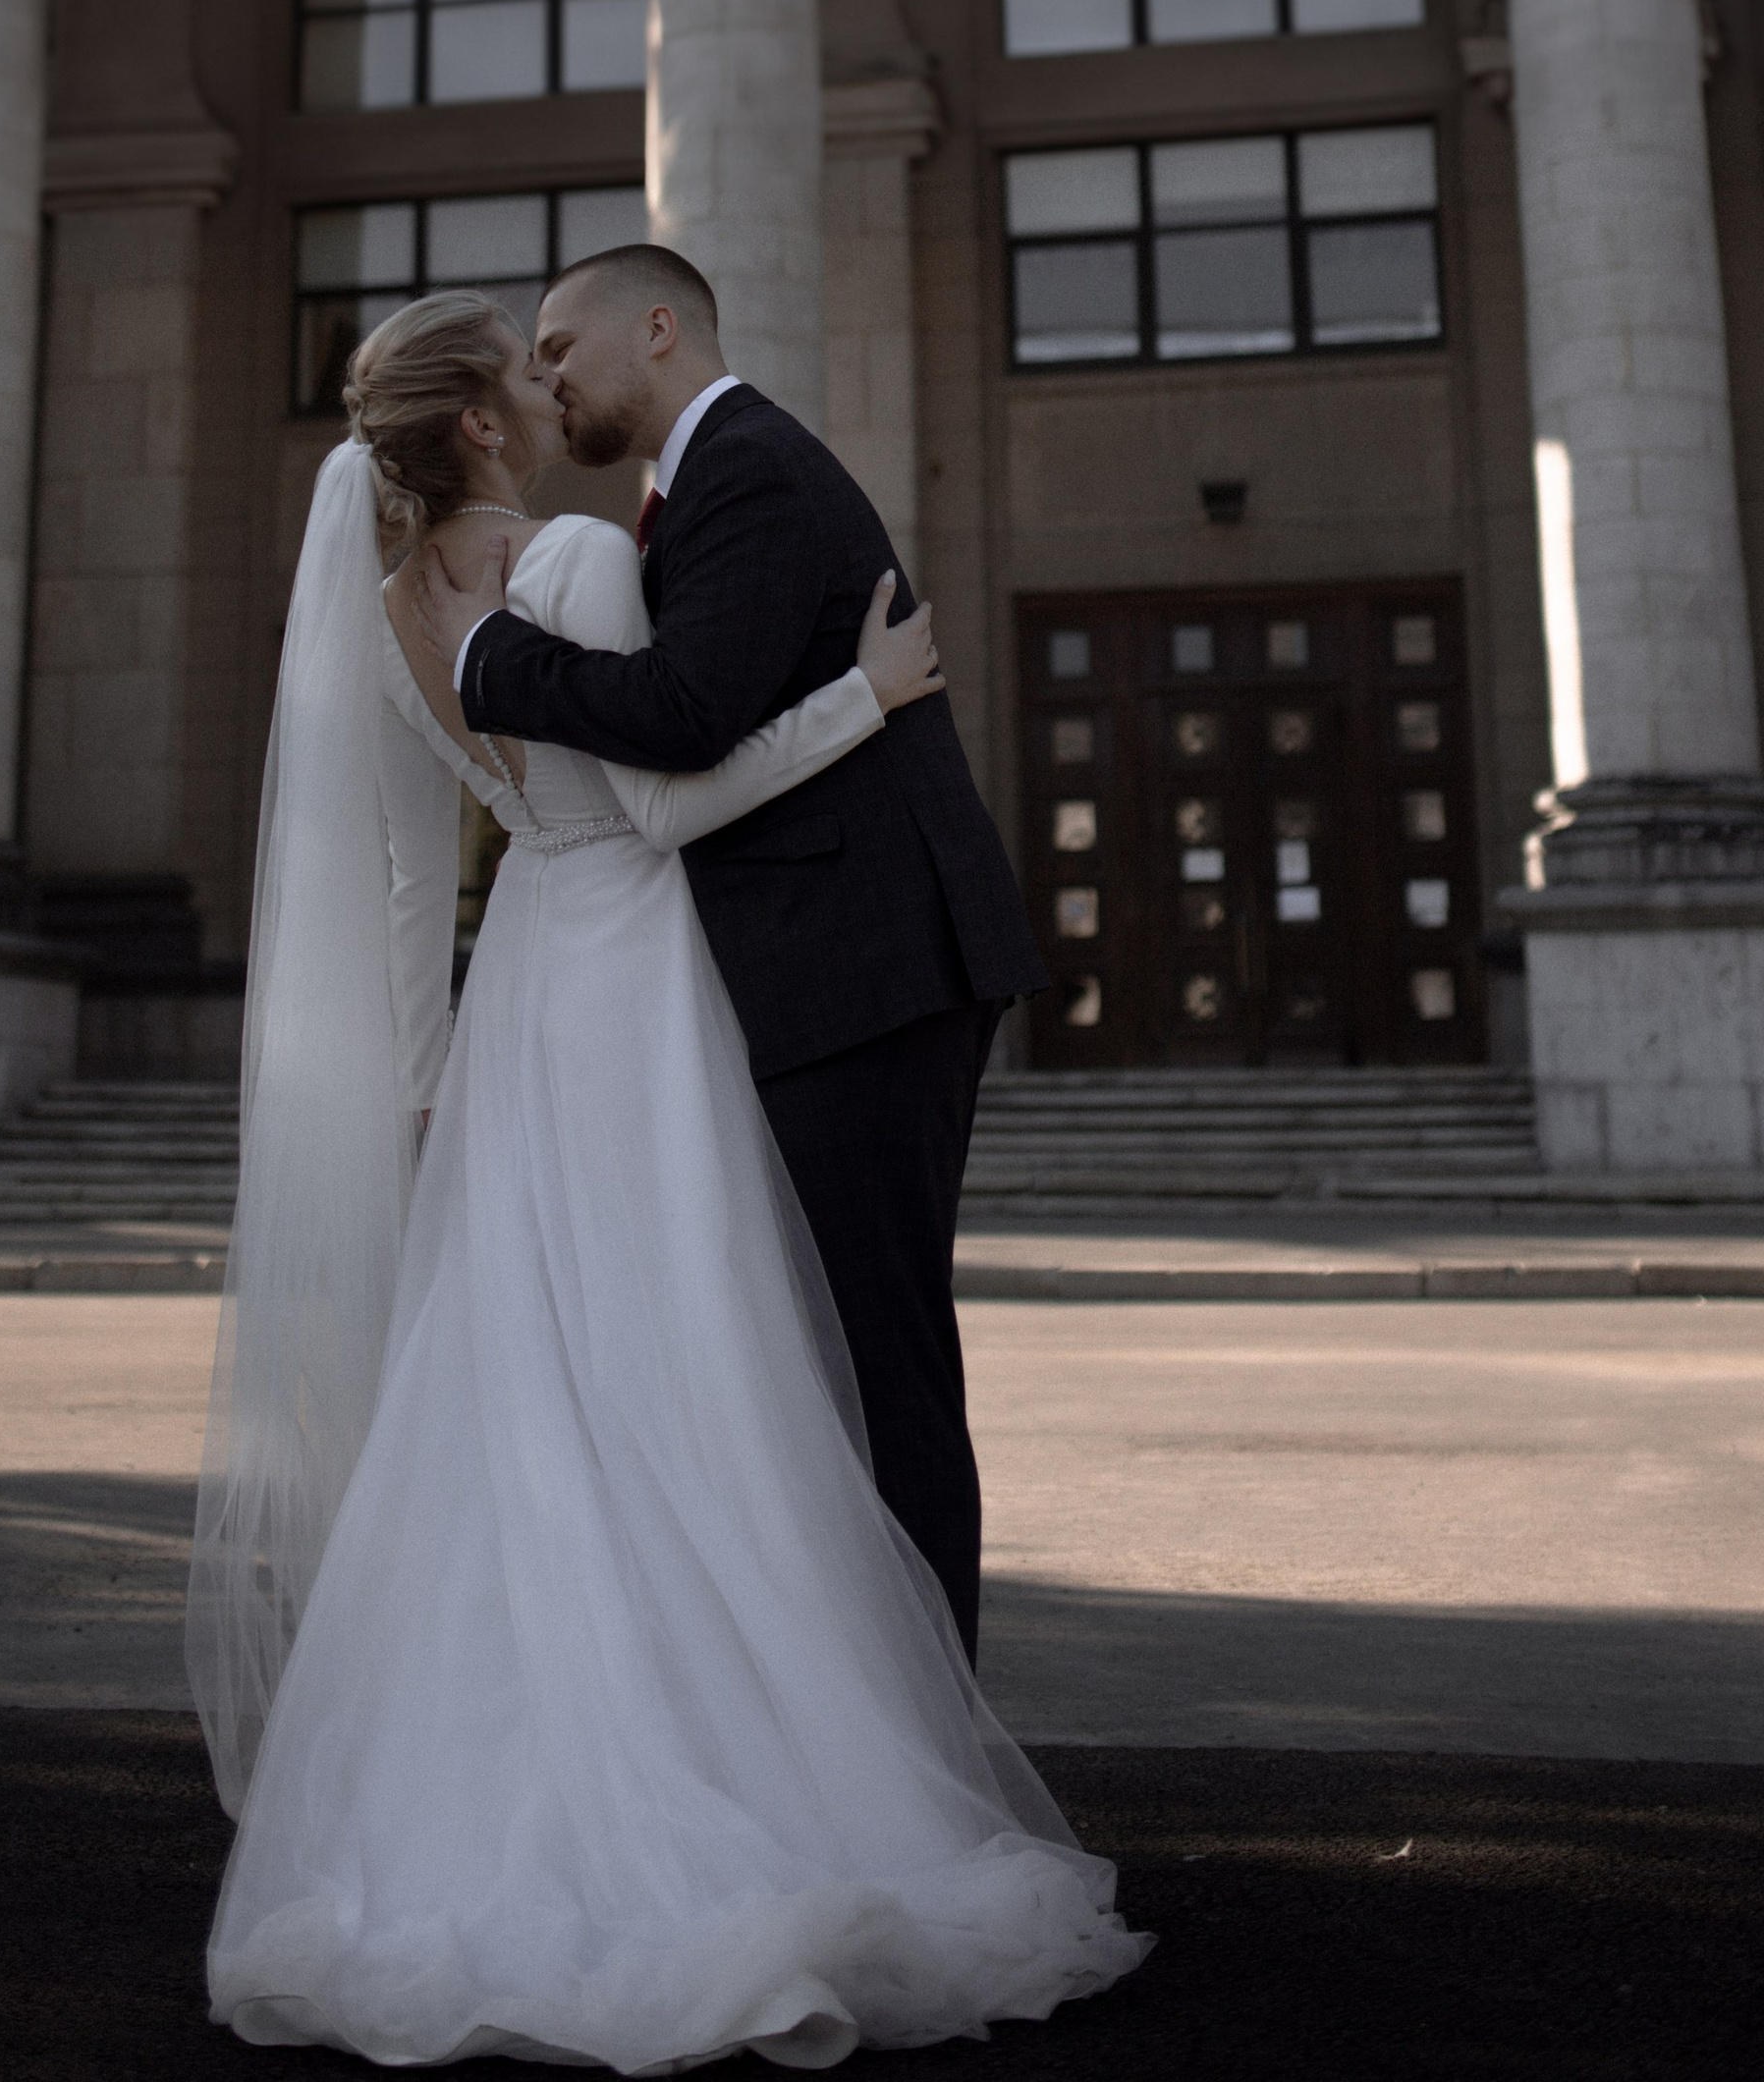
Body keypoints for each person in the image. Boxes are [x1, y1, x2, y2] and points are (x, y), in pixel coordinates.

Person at [192, 291, 1146, 2067]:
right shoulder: (555, 564)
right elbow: (659, 801)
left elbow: (413, 880)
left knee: (530, 1400)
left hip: (513, 1014)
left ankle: (489, 1784)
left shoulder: (388, 605)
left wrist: (415, 1084)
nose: (552, 389)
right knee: (694, 1379)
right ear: (481, 427)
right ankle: (759, 1764)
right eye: (524, 372)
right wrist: (860, 700)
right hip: (636, 987)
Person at [415, 242, 1045, 1660]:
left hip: (870, 970)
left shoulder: (748, 466)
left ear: (659, 328)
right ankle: (867, 1699)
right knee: (829, 1355)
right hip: (831, 968)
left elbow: (686, 711)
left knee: (879, 1355)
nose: (549, 376)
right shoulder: (691, 491)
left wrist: (489, 662)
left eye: (564, 346)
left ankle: (923, 1716)